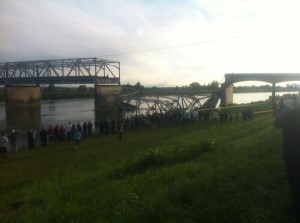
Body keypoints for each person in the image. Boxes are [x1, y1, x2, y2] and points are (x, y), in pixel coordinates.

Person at [275, 103, 300, 219]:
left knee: (295, 181)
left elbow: (277, 123)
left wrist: (279, 111)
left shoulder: (291, 113)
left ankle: (296, 210)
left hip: (292, 153)